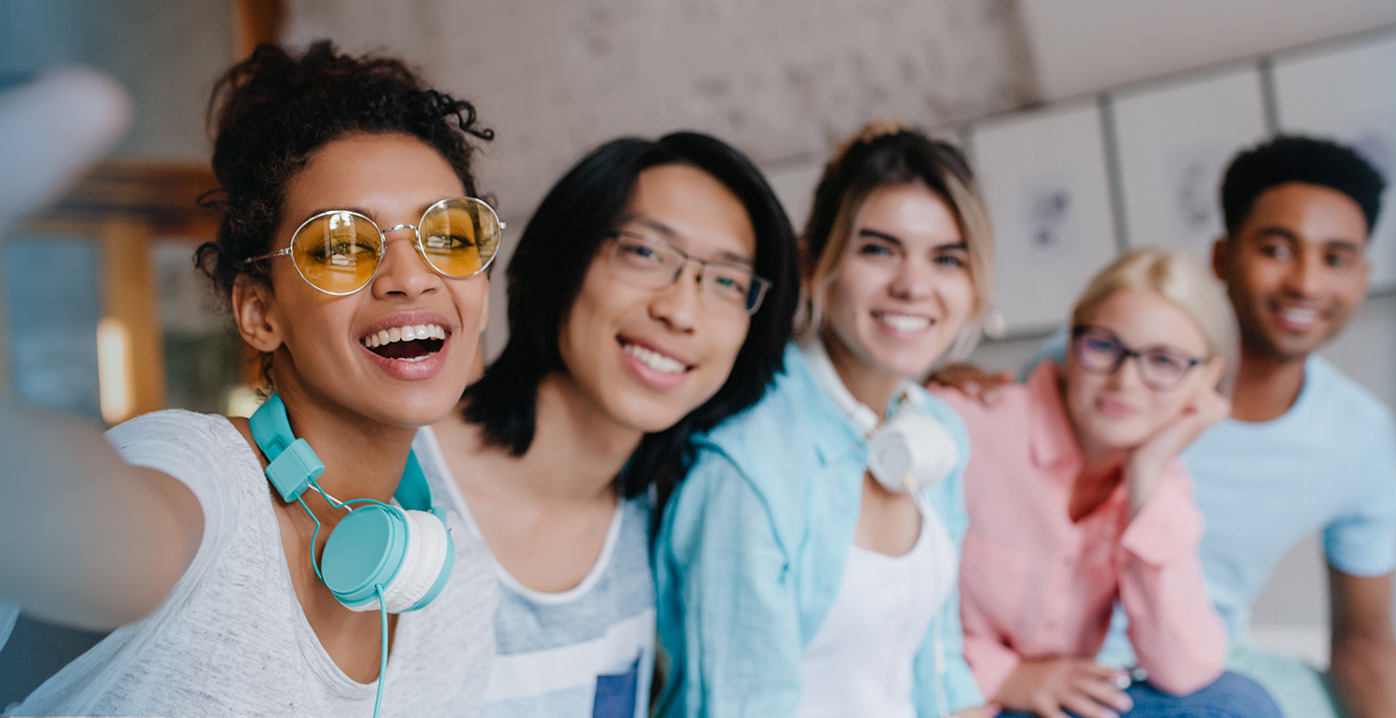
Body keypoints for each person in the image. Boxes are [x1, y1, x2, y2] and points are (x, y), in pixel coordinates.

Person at [0, 42, 501, 716]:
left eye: (448, 235)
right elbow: (88, 533)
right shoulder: (200, 478)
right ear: (260, 312)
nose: (412, 277)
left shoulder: (460, 578)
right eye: (342, 246)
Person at [932, 136, 1396, 717]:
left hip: (1192, 659)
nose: (1306, 284)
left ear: (1363, 277)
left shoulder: (1360, 438)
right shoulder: (1085, 365)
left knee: (1255, 700)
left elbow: (1365, 636)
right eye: (1277, 249)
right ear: (1222, 257)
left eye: (1335, 259)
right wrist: (944, 385)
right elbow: (1003, 459)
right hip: (1047, 659)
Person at [411, 132, 799, 717]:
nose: (681, 310)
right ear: (562, 260)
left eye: (726, 281)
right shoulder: (389, 482)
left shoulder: (670, 513)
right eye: (645, 252)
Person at [654, 122, 990, 718]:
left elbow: (940, 668)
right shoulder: (746, 463)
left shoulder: (940, 429)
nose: (914, 286)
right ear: (812, 265)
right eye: (878, 249)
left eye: (947, 259)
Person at [944, 249, 1284, 718]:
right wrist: (1006, 676)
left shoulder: (1159, 479)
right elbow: (878, 605)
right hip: (947, 695)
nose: (1125, 381)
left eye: (1163, 361)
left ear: (1208, 378)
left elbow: (1183, 669)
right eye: (1104, 347)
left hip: (1044, 705)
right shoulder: (971, 427)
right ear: (1071, 343)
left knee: (1234, 704)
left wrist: (1148, 473)